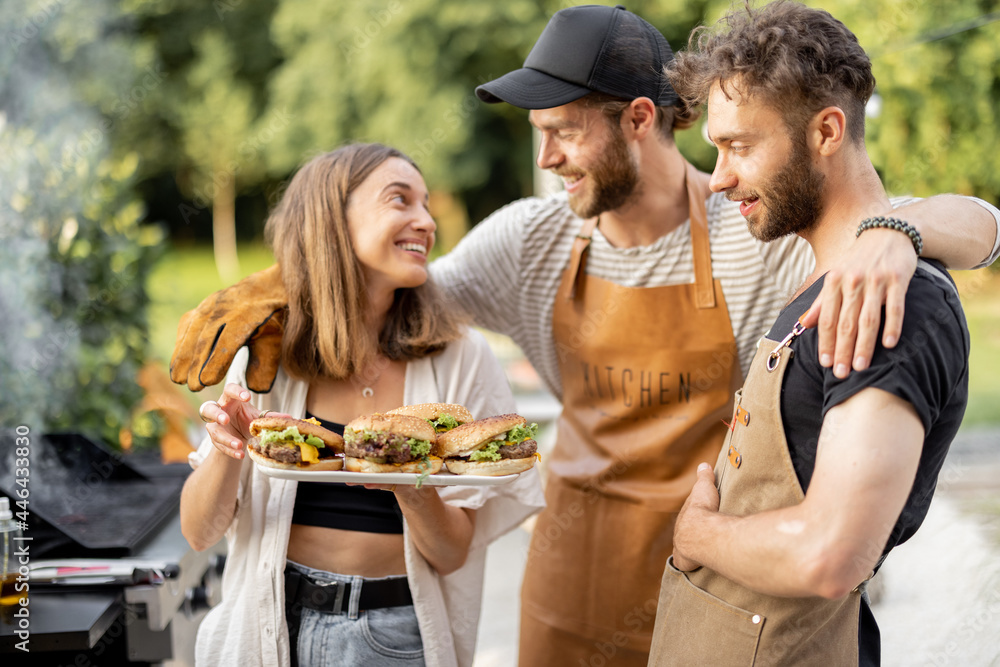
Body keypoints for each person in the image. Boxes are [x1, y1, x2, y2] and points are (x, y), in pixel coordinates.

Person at [169, 6, 1000, 665]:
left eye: (562, 130)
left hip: (718, 576)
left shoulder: (755, 231)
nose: (549, 157)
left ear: (639, 119)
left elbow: (986, 227)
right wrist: (289, 283)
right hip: (570, 588)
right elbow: (397, 301)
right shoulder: (530, 241)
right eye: (538, 135)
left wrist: (896, 229)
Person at [647, 2, 976, 664]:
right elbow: (983, 224)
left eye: (740, 145)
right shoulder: (830, 276)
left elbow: (831, 553)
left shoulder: (888, 300)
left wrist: (701, 533)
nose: (719, 178)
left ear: (827, 131)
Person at [179, 143, 544, 667]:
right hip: (272, 625)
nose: (426, 221)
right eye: (400, 200)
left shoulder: (463, 355)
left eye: (426, 205)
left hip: (394, 636)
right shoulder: (267, 350)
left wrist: (413, 491)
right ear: (331, 220)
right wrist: (227, 448)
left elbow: (451, 555)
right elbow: (198, 532)